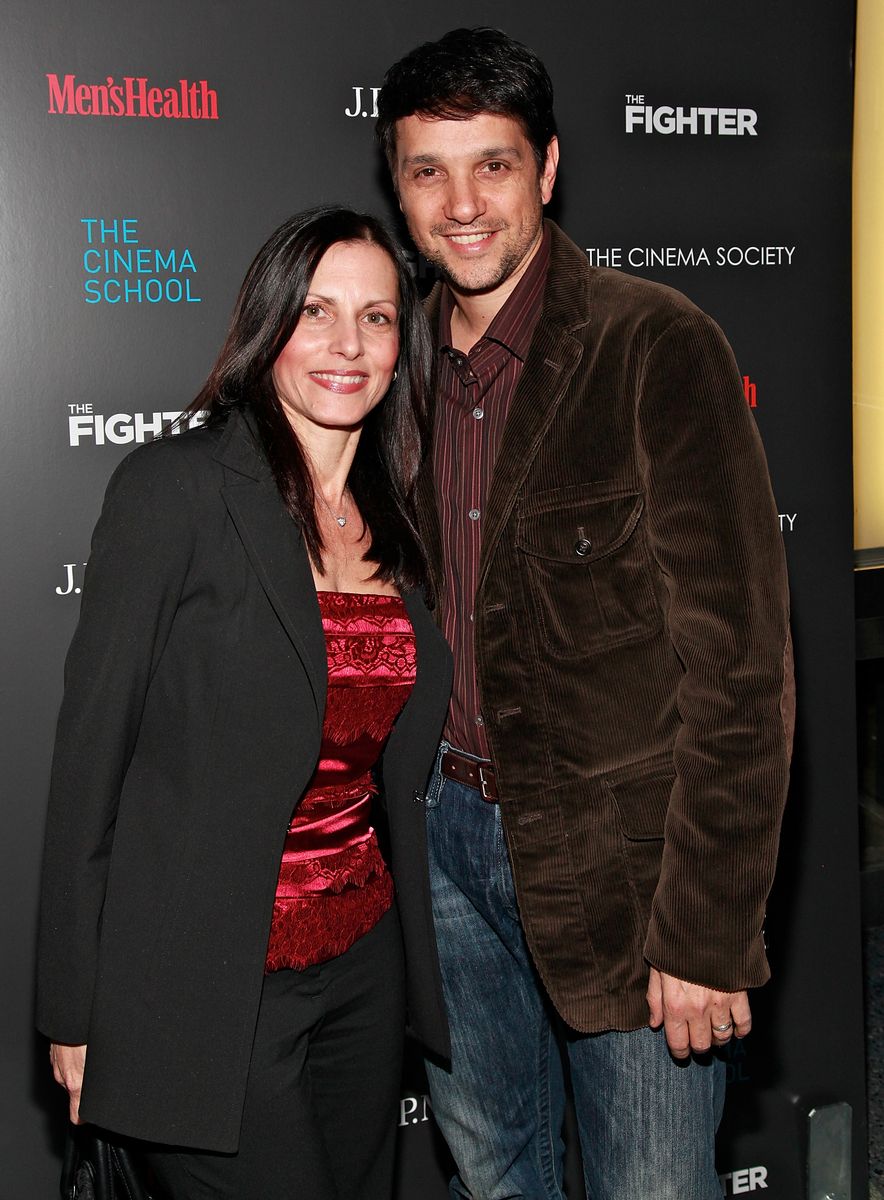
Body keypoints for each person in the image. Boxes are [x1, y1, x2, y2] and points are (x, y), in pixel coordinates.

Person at [376, 28, 794, 1200]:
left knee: (652, 1188)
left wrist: (707, 931)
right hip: (444, 849)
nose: (462, 205)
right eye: (427, 170)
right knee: (500, 1178)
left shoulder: (655, 345)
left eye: (493, 165)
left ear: (548, 169)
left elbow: (744, 671)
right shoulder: (391, 364)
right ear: (396, 184)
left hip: (626, 873)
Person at [35, 205, 452, 1200]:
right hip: (201, 978)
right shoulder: (174, 490)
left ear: (403, 346)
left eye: (378, 318)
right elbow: (89, 759)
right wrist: (73, 1009)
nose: (348, 345)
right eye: (317, 312)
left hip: (363, 965)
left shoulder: (404, 515)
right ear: (271, 326)